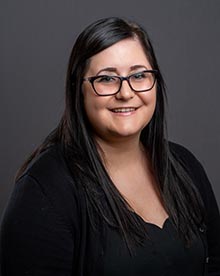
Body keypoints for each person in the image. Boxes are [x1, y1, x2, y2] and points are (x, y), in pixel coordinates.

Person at [1, 17, 220, 276]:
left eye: (139, 75)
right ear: (78, 89)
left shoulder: (185, 166)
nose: (125, 93)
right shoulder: (45, 189)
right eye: (106, 79)